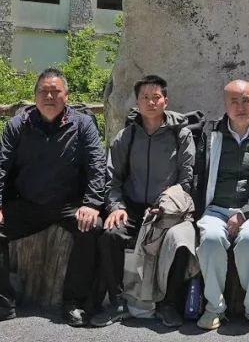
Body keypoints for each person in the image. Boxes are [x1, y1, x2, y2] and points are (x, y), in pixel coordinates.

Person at [0, 68, 106, 328]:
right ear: (35, 95)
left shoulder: (83, 124)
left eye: (55, 91)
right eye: (43, 91)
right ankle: (3, 303)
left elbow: (97, 166)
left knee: (93, 228)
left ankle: (73, 302)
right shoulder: (18, 125)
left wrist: (92, 203)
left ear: (67, 96)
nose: (49, 96)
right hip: (28, 204)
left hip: (69, 205)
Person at [91, 75, 196, 329]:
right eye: (145, 98)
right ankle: (117, 302)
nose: (151, 102)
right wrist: (116, 207)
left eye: (156, 97)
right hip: (133, 207)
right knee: (110, 235)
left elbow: (186, 180)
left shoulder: (180, 135)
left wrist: (166, 205)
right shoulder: (127, 136)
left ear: (165, 100)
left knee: (182, 241)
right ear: (137, 102)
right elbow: (112, 178)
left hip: (169, 210)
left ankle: (169, 304)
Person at [191, 80, 249, 331]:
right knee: (209, 240)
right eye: (234, 101)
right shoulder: (211, 133)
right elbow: (198, 173)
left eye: (246, 100)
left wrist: (245, 212)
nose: (241, 106)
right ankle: (214, 307)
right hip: (216, 208)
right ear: (225, 104)